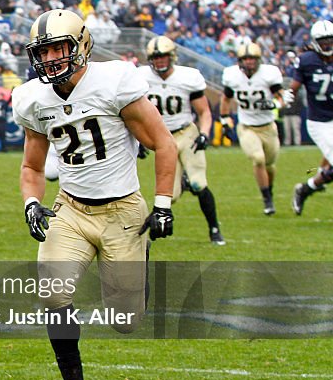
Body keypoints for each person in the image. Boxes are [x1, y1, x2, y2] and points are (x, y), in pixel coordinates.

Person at [12, 9, 177, 380]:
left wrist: (163, 204)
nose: (50, 59)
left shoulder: (114, 81)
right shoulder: (33, 98)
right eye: (43, 52)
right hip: (69, 209)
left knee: (125, 321)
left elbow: (163, 144)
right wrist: (32, 203)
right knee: (52, 293)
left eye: (57, 49)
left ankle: (140, 264)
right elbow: (32, 166)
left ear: (81, 45)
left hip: (123, 212)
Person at [139, 36, 225, 245]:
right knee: (171, 196)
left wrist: (205, 133)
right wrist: (138, 139)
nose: (159, 61)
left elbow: (204, 111)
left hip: (186, 133)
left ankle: (215, 230)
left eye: (163, 56)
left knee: (199, 182)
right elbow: (133, 113)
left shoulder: (188, 77)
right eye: (155, 57)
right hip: (161, 138)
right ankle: (183, 183)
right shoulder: (140, 78)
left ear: (172, 57)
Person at [219, 41, 286, 215]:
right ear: (240, 60)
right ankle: (267, 200)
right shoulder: (232, 76)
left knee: (270, 165)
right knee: (258, 159)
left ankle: (268, 190)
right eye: (246, 59)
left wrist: (272, 104)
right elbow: (225, 99)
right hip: (247, 127)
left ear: (259, 60)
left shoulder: (268, 74)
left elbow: (283, 98)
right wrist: (225, 122)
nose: (249, 62)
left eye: (252, 58)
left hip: (268, 127)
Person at [290, 21, 333, 215]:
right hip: (320, 122)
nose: (327, 44)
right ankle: (308, 187)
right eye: (323, 41)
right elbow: (293, 88)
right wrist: (282, 99)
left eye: (330, 40)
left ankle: (306, 188)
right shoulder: (307, 60)